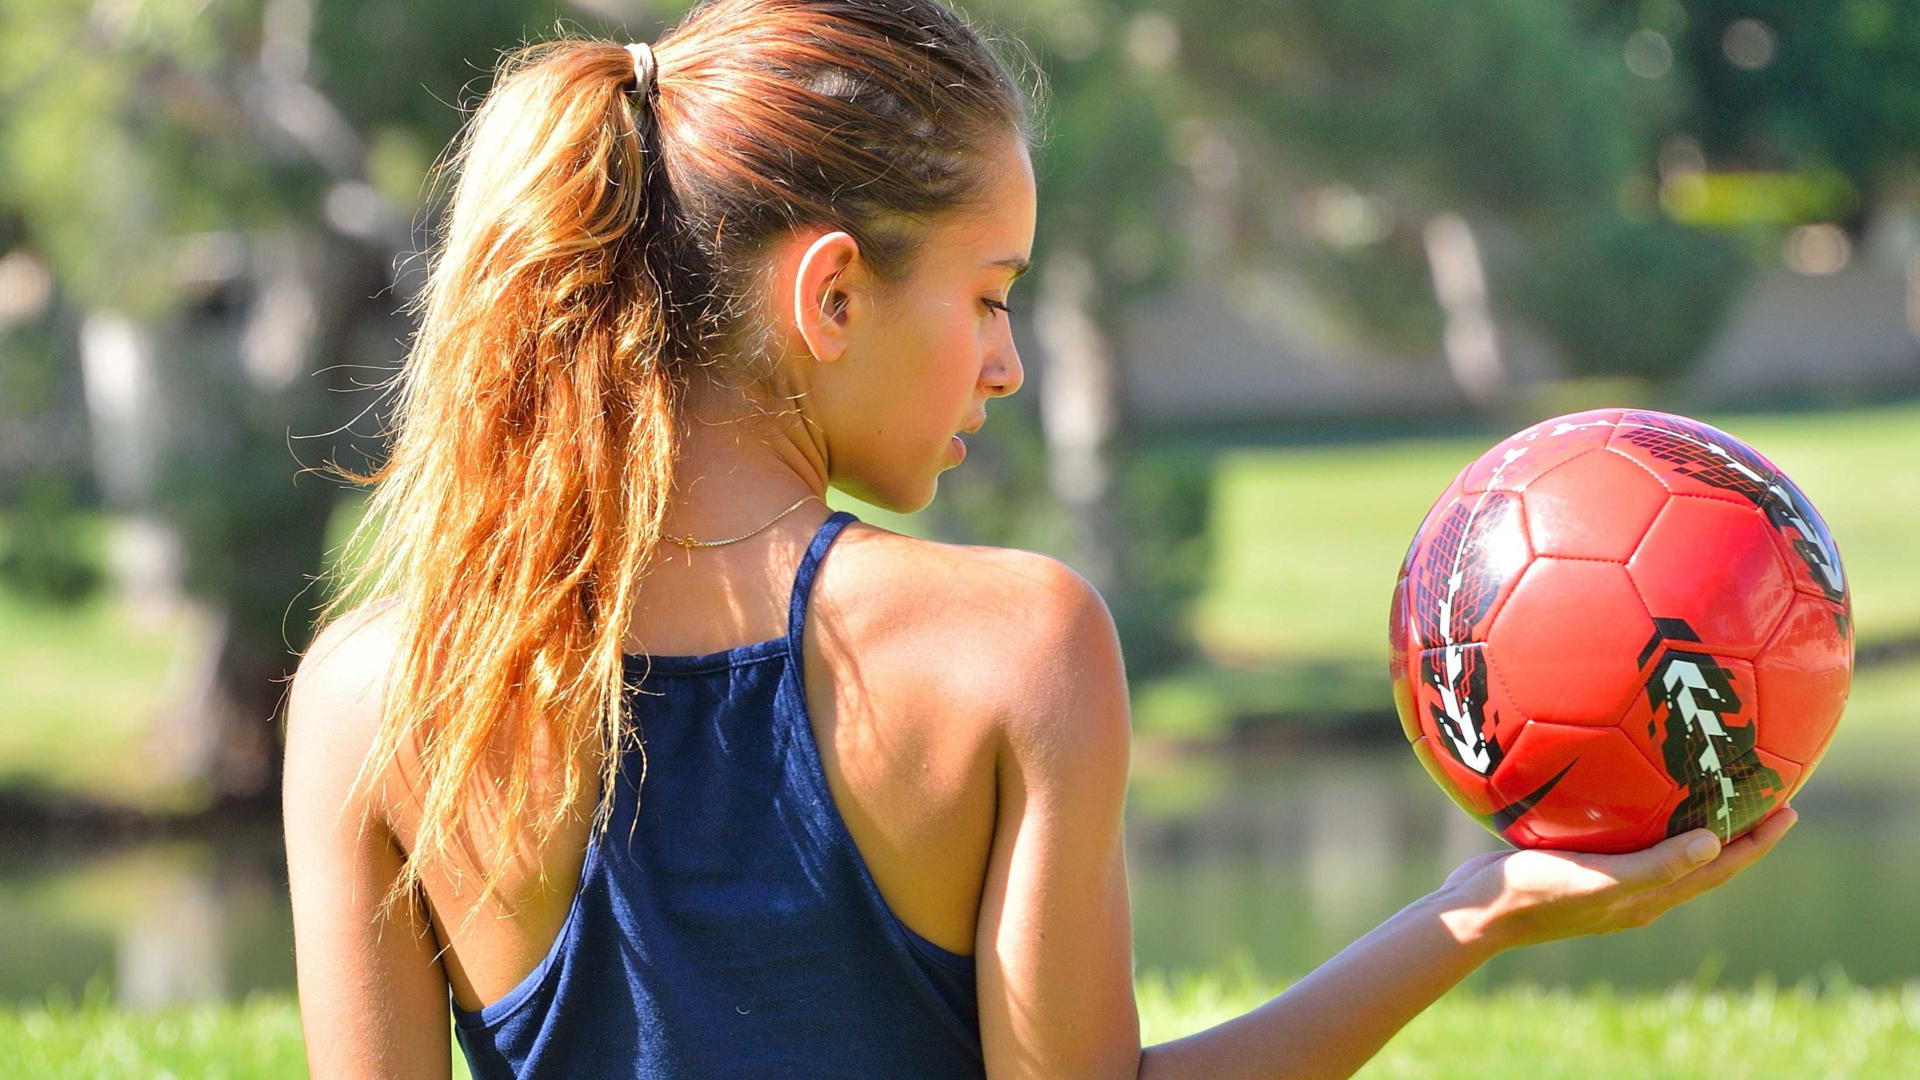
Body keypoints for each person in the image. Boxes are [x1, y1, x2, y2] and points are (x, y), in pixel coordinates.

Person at [281, 1, 1799, 1076]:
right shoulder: (1017, 648)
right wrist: (1473, 915)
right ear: (832, 296)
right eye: (990, 292)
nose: (1004, 362)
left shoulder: (370, 694)